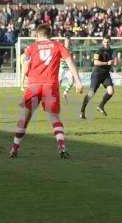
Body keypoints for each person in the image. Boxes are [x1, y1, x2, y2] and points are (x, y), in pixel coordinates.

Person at [9, 24, 83, 159]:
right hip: (50, 85)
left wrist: (28, 73)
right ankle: (61, 147)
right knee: (54, 118)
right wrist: (77, 81)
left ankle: (14, 148)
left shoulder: (31, 48)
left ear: (38, 35)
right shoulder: (58, 45)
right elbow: (70, 62)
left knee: (25, 117)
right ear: (50, 34)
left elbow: (25, 70)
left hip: (34, 85)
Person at [80, 36, 118, 118]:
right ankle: (82, 111)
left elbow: (109, 62)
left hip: (106, 75)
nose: (106, 43)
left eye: (107, 42)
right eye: (105, 42)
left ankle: (101, 106)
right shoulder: (99, 51)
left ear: (110, 42)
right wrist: (107, 63)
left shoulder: (111, 50)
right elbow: (95, 62)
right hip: (97, 74)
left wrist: (111, 67)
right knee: (91, 94)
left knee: (111, 91)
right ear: (102, 42)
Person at [58, 37, 75, 104]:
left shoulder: (71, 50)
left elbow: (72, 59)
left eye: (69, 41)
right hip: (61, 68)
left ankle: (65, 93)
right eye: (66, 41)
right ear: (64, 41)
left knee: (71, 82)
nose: (68, 42)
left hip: (68, 69)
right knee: (58, 83)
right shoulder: (61, 48)